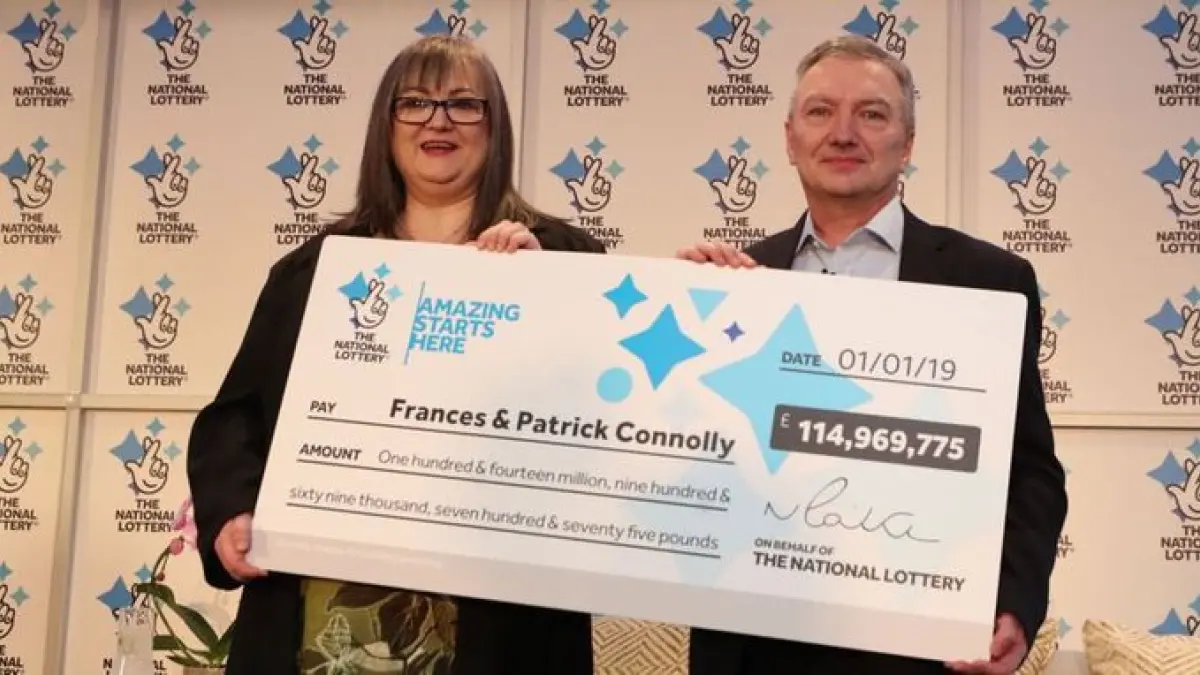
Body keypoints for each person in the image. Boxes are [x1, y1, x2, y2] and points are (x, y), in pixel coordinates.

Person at [186, 35, 604, 675]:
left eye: (463, 104)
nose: (438, 121)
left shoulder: (562, 257)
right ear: (386, 125)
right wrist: (232, 511)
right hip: (321, 609)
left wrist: (543, 292)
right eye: (415, 103)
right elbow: (236, 417)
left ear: (495, 128)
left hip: (498, 620)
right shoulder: (314, 269)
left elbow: (602, 419)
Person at [678, 36, 1067, 675]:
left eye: (872, 114)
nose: (843, 133)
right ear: (789, 138)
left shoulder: (988, 281)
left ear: (907, 143)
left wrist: (1015, 604)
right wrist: (682, 319)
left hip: (920, 645)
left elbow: (1030, 472)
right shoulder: (733, 284)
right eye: (820, 112)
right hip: (751, 646)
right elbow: (686, 457)